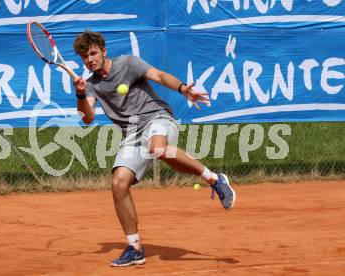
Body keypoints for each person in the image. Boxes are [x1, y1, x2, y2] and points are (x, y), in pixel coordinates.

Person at [72, 30, 236, 267]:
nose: (90, 59)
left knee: (158, 148)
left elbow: (158, 75)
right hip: (132, 133)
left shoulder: (128, 63)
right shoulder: (90, 85)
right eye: (85, 57)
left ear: (103, 50)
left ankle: (214, 178)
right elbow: (86, 118)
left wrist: (182, 89)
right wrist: (79, 94)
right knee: (119, 183)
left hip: (157, 118)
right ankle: (135, 248)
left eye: (93, 53)